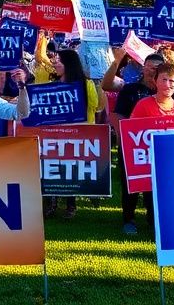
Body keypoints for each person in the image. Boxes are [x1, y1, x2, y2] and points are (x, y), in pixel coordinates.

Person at [101, 46, 164, 235]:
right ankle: (129, 219)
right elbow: (118, 115)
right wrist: (124, 139)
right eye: (150, 66)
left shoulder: (168, 91)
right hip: (133, 145)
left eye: (157, 68)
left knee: (155, 184)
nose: (153, 70)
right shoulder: (130, 89)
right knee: (131, 184)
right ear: (143, 67)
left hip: (157, 146)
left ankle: (153, 219)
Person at [43, 49, 107, 219]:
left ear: (69, 65)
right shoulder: (52, 84)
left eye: (59, 61)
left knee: (71, 169)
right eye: (55, 60)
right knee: (54, 167)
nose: (55, 63)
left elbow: (95, 108)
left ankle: (71, 205)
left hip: (78, 135)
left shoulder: (87, 85)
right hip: (55, 134)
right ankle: (50, 202)